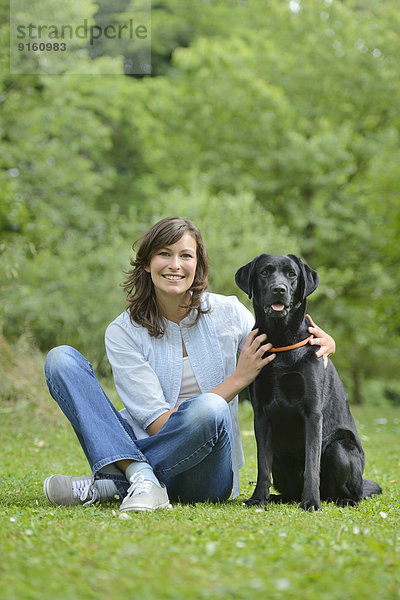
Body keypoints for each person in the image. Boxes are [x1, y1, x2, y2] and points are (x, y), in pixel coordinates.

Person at [43, 216, 335, 512]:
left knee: (209, 409)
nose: (175, 265)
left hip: (208, 471)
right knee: (61, 360)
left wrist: (327, 342)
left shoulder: (228, 312)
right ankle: (141, 479)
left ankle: (118, 479)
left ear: (198, 265)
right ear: (147, 263)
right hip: (151, 439)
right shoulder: (123, 333)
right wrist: (239, 379)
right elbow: (156, 424)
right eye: (164, 254)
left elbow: (283, 337)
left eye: (185, 255)